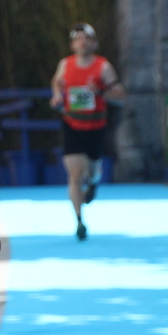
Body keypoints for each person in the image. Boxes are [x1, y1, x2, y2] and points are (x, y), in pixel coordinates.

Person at [49, 23, 125, 240]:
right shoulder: (65, 65)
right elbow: (57, 82)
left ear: (94, 43)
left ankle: (93, 181)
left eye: (86, 38)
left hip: (95, 127)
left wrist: (101, 91)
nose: (82, 42)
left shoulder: (103, 67)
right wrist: (57, 95)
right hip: (72, 125)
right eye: (78, 39)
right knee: (75, 174)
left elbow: (120, 96)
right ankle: (79, 220)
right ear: (73, 44)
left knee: (90, 171)